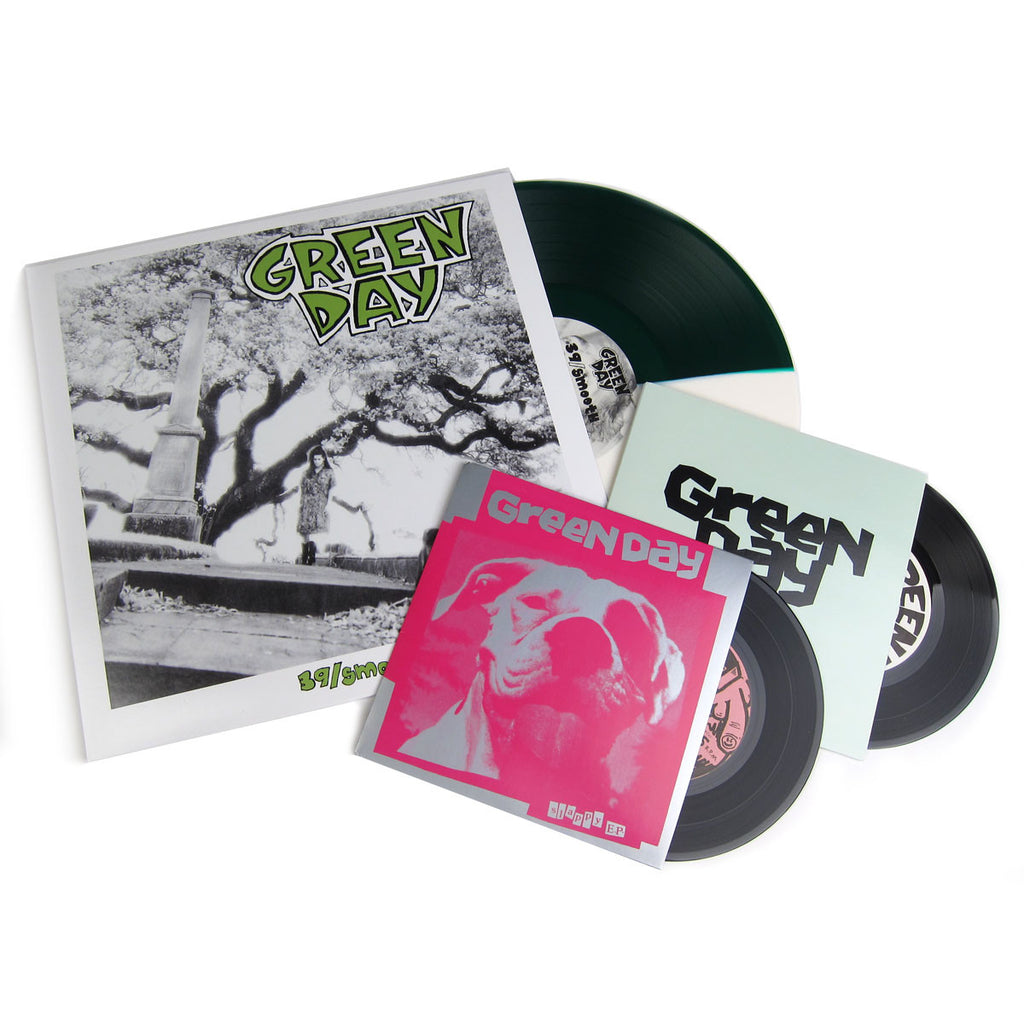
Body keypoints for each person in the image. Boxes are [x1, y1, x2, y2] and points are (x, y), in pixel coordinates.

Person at [296, 446, 335, 565]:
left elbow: (332, 489)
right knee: (305, 530)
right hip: (307, 503)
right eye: (314, 459)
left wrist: (328, 504)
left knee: (315, 529)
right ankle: (305, 555)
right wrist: (301, 503)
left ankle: (311, 556)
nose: (316, 461)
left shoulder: (329, 473)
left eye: (319, 459)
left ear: (323, 459)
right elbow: (302, 488)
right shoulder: (306, 473)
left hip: (320, 503)